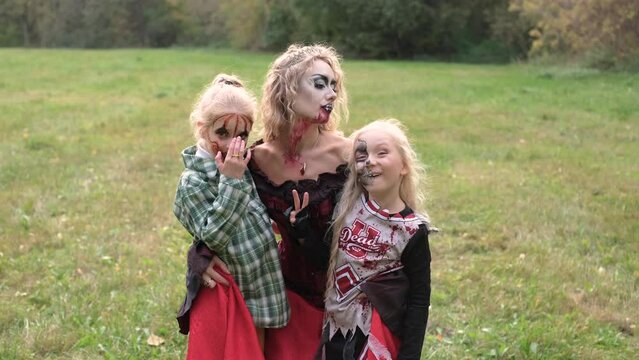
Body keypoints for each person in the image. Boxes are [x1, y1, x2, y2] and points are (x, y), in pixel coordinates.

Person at [193, 44, 351, 359]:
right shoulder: (255, 159)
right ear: (287, 91)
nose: (331, 93)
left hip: (345, 299)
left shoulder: (348, 155)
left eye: (334, 85)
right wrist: (199, 256)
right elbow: (218, 208)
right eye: (320, 84)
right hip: (285, 301)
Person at [173, 74, 289, 359]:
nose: (230, 144)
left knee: (260, 350)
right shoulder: (193, 182)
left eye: (240, 136)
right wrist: (232, 181)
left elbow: (256, 209)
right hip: (231, 291)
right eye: (222, 133)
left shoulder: (240, 163)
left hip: (261, 280)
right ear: (203, 128)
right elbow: (213, 236)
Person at [318, 119, 433, 359]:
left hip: (373, 342)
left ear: (404, 165)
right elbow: (323, 259)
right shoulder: (346, 208)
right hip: (333, 332)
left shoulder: (411, 230)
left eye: (381, 152)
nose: (369, 160)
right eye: (362, 156)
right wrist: (301, 231)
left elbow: (419, 301)